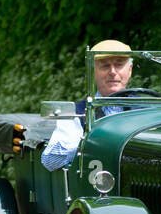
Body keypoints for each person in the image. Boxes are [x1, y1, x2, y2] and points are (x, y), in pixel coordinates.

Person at [40, 39, 133, 171]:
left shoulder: (147, 111)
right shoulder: (78, 113)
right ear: (93, 71)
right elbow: (50, 160)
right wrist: (91, 146)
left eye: (119, 65)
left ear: (129, 70)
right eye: (105, 66)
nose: (112, 72)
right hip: (95, 188)